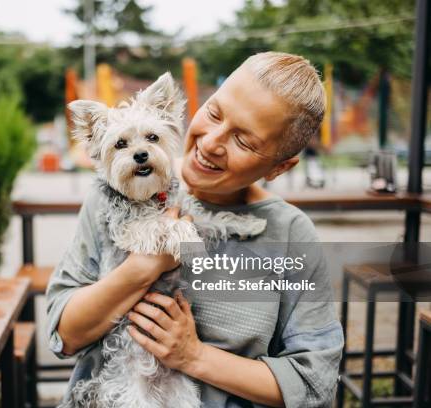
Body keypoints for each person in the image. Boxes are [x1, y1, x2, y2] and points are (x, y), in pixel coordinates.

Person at [46, 52, 344, 407]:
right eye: (214, 112)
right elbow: (64, 334)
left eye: (244, 141)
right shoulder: (114, 195)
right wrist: (143, 268)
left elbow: (316, 385)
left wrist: (193, 356)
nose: (211, 142)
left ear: (280, 167)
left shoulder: (291, 233)